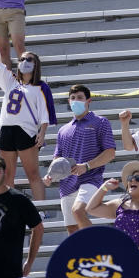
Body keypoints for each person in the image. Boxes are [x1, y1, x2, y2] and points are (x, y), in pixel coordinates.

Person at [44, 84, 115, 233]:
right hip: (66, 184)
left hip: (91, 179)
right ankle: (83, 254)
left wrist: (87, 166)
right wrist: (51, 175)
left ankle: (95, 251)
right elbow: (58, 158)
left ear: (88, 100)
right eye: (73, 98)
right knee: (72, 230)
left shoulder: (100, 122)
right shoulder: (63, 130)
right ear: (69, 102)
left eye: (80, 97)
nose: (76, 101)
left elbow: (110, 153)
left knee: (78, 211)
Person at [0, 39, 48, 201]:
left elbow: (44, 116)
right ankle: (10, 210)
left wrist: (42, 134)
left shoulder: (39, 88)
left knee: (33, 174)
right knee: (7, 175)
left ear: (36, 64)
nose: (24, 62)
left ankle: (41, 210)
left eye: (29, 59)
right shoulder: (10, 81)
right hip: (7, 131)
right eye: (22, 59)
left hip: (26, 131)